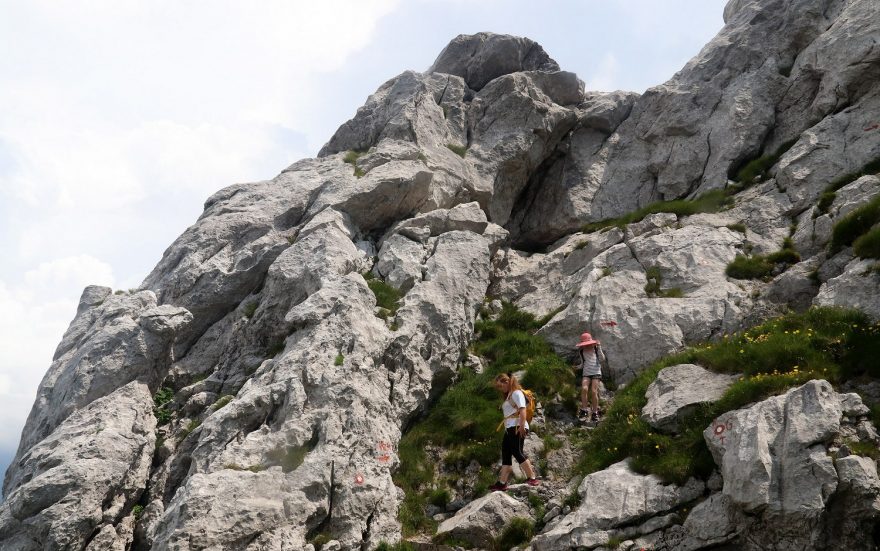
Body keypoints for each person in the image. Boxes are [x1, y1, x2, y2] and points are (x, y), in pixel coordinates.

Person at [488, 373, 540, 491]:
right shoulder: (509, 396)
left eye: (501, 386)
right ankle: (502, 483)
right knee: (506, 453)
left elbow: (522, 409)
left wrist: (521, 426)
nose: (500, 389)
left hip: (517, 426)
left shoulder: (516, 393)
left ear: (507, 382)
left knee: (517, 452)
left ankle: (532, 478)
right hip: (510, 427)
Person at [575, 332, 606, 422]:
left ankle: (595, 412)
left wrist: (599, 347)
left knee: (593, 391)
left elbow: (602, 359)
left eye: (587, 344)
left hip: (596, 372)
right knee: (584, 389)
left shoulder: (596, 348)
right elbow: (582, 363)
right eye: (585, 344)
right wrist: (576, 367)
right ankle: (584, 410)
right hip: (586, 372)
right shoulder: (581, 351)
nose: (586, 346)